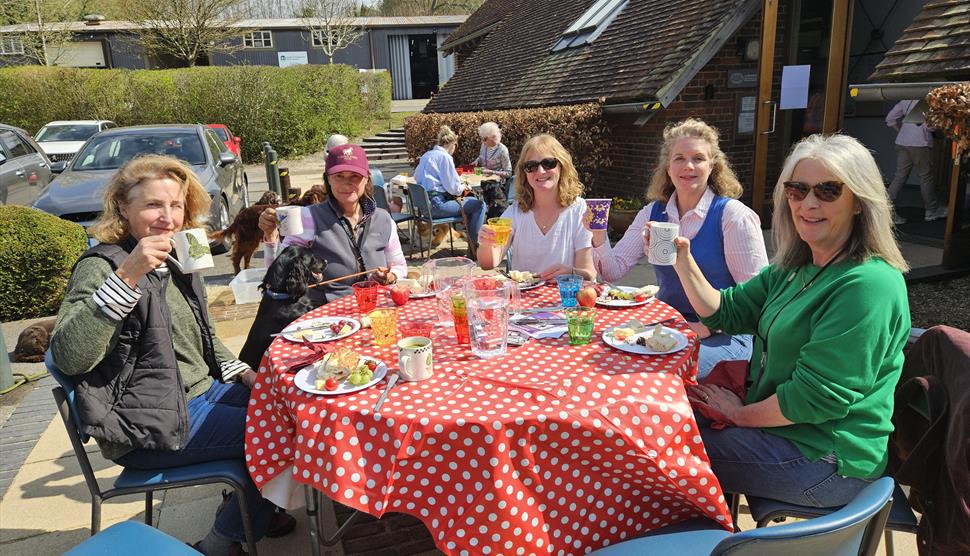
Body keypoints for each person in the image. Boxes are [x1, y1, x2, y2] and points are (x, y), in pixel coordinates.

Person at [50, 155, 292, 556]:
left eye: (176, 205)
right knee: (280, 436)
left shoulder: (178, 257)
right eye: (152, 205)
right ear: (123, 209)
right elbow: (70, 357)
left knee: (291, 407)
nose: (167, 217)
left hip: (201, 392)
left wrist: (246, 375)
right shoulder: (103, 266)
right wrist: (127, 276)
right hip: (147, 418)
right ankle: (220, 542)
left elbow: (206, 338)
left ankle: (250, 503)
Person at [676, 134, 910, 507]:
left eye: (828, 191)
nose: (808, 203)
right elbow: (726, 311)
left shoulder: (868, 284)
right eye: (797, 190)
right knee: (664, 417)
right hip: (784, 430)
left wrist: (738, 415)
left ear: (859, 203)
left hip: (826, 460)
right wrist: (681, 258)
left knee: (659, 451)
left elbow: (814, 399)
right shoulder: (793, 267)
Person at [590, 118, 768, 378]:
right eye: (679, 158)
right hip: (668, 328)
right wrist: (598, 234)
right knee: (606, 360)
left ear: (713, 165)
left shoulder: (733, 216)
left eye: (698, 158)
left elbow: (757, 300)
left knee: (656, 375)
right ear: (668, 168)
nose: (689, 166)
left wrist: (706, 328)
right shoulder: (654, 212)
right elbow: (613, 271)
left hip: (724, 336)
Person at [259, 144, 406, 306]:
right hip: (325, 313)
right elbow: (279, 272)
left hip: (376, 308)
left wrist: (390, 276)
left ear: (366, 179)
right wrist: (271, 236)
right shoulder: (308, 217)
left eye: (355, 176)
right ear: (328, 179)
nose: (346, 183)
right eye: (339, 176)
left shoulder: (384, 219)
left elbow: (399, 266)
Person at [477, 134, 596, 280]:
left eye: (548, 163)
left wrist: (571, 272)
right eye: (531, 166)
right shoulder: (516, 210)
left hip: (565, 299)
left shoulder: (579, 210)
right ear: (524, 173)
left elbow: (589, 273)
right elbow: (488, 263)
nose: (540, 171)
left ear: (562, 166)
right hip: (523, 298)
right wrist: (486, 243)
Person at [414, 125, 487, 252]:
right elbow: (454, 189)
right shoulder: (445, 157)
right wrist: (464, 185)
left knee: (470, 205)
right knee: (479, 205)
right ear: (453, 144)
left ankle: (473, 245)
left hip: (424, 207)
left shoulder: (427, 155)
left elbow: (416, 176)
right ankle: (475, 247)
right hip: (437, 206)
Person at [886, 99, 946, 224]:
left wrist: (901, 131)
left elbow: (890, 119)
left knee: (899, 177)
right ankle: (931, 210)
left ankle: (885, 211)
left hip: (902, 142)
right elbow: (931, 127)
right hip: (920, 144)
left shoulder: (905, 100)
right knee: (925, 177)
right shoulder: (929, 102)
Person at [473, 121, 513, 187]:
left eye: (485, 139)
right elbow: (482, 157)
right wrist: (477, 161)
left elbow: (508, 173)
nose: (482, 141)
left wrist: (492, 172)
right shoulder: (483, 145)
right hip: (483, 180)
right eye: (482, 138)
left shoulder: (502, 150)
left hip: (496, 185)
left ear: (493, 137)